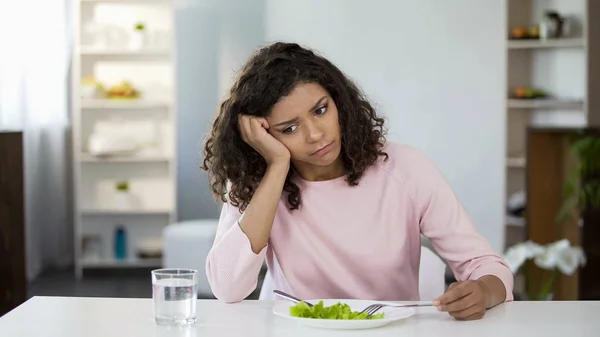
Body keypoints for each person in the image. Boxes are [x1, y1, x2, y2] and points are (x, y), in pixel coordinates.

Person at [201, 41, 513, 321]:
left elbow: (484, 264)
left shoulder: (405, 169)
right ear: (264, 135)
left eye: (320, 110)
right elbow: (227, 287)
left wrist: (484, 291)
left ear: (339, 102)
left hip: (393, 332)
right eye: (290, 128)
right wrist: (277, 165)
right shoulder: (258, 183)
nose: (315, 134)